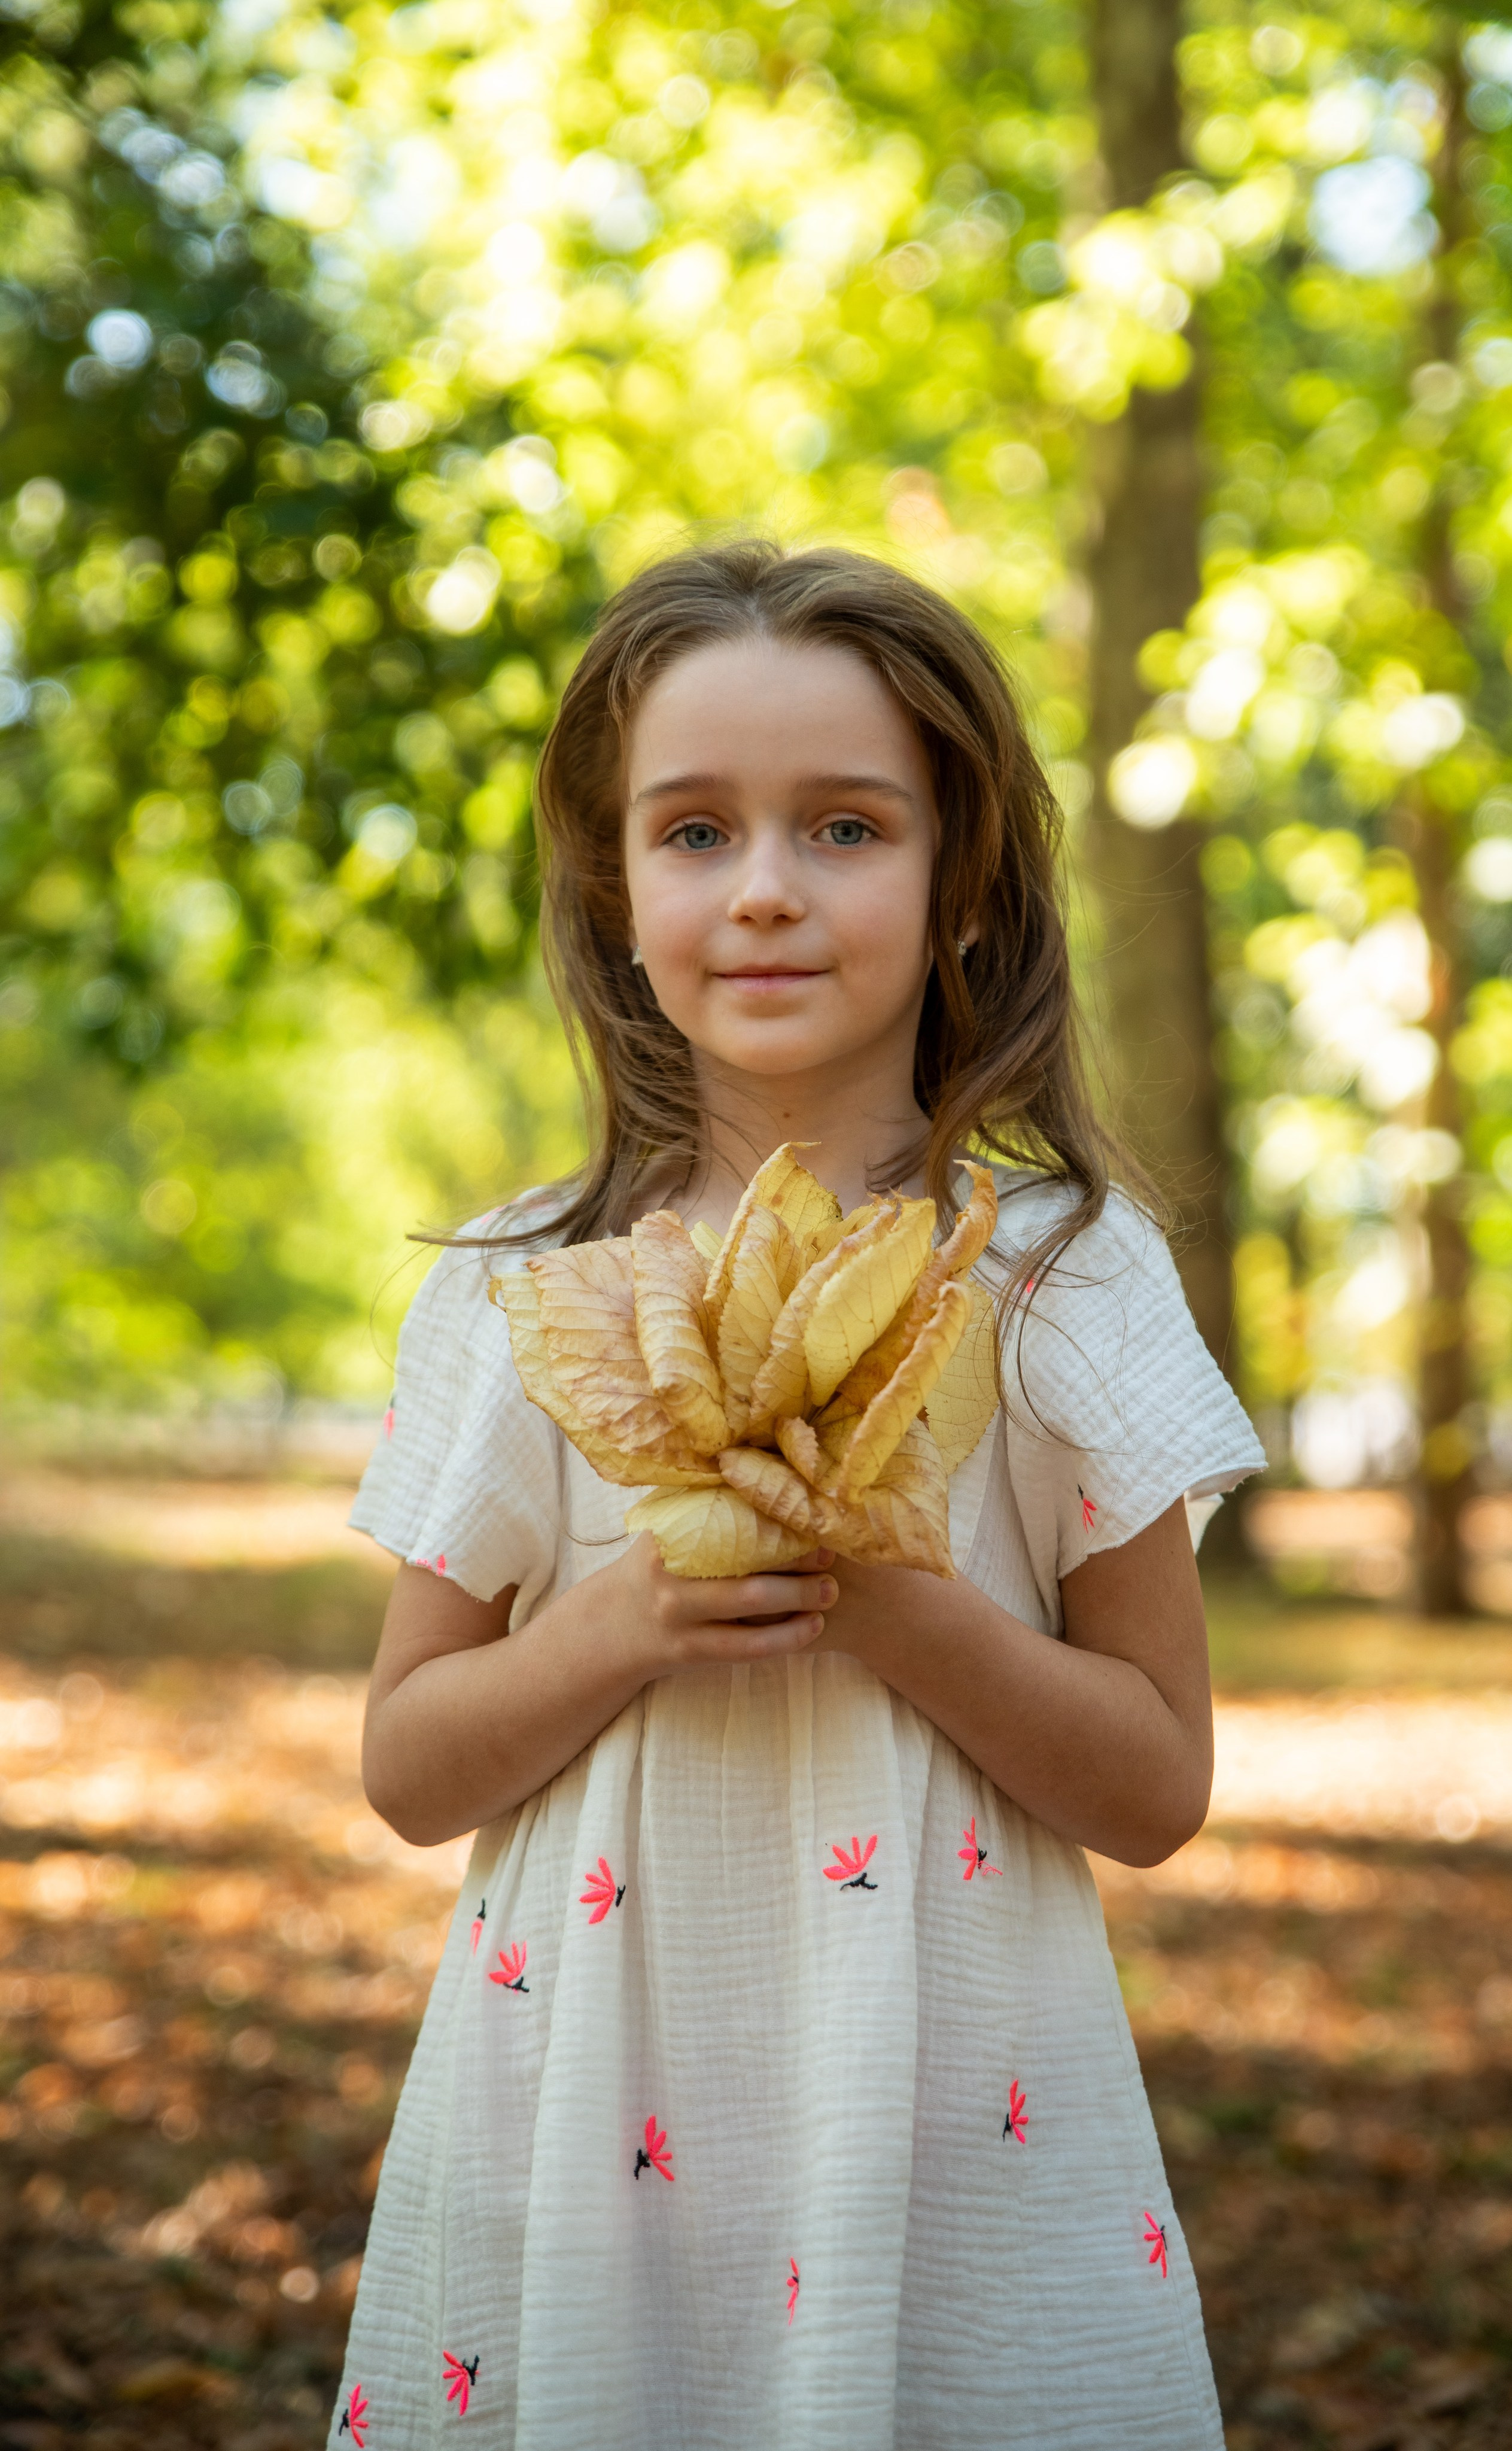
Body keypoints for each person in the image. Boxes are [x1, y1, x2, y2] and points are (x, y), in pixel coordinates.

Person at [331, 540, 1264, 2451]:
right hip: (577, 2114)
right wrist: (622, 1620)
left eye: (845, 828)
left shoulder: (1059, 1276)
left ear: (963, 880)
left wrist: (889, 1590)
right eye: (693, 833)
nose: (763, 889)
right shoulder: (525, 1288)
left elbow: (1160, 1782)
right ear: (616, 884)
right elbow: (412, 1765)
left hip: (950, 2130)